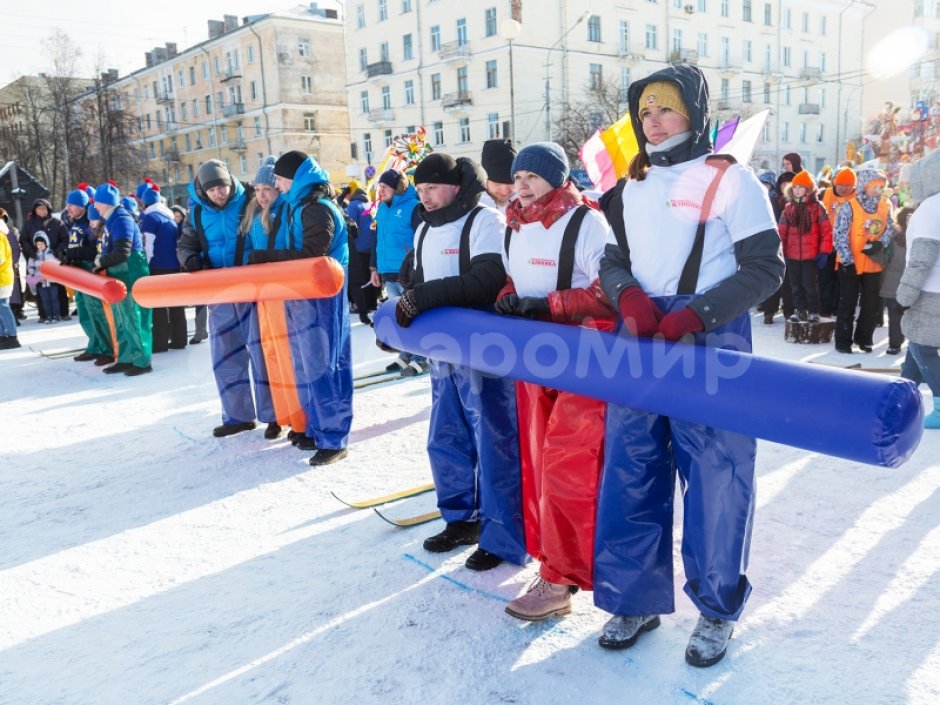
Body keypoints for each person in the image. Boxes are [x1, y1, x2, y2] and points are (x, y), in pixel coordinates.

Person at [594, 64, 784, 667]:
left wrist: (695, 315)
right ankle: (633, 597)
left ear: (694, 114)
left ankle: (717, 607)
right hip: (639, 335)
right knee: (631, 468)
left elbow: (766, 268)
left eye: (665, 109)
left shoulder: (730, 179)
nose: (653, 122)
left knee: (716, 476)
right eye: (644, 112)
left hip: (708, 337)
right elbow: (611, 259)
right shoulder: (631, 186)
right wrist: (626, 294)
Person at [495, 142, 616, 620]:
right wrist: (509, 298)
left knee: (570, 466)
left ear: (556, 178)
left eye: (531, 176)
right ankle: (551, 561)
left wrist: (549, 305)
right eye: (517, 177)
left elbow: (609, 291)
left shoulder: (586, 222)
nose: (521, 185)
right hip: (534, 357)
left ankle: (562, 578)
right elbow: (516, 278)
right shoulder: (514, 224)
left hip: (584, 356)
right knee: (538, 463)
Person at [395, 152, 526, 572]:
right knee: (446, 436)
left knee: (493, 440)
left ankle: (502, 533)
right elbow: (416, 283)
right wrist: (398, 327)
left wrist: (424, 296)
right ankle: (460, 518)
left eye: (432, 187)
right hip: (441, 354)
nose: (425, 196)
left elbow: (486, 280)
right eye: (420, 189)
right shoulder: (423, 228)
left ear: (455, 186)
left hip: (482, 349)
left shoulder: (484, 221)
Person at [178, 159, 277, 437]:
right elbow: (185, 244)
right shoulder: (197, 213)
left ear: (230, 182)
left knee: (263, 353)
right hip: (219, 291)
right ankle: (237, 415)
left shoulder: (249, 201)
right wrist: (190, 260)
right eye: (212, 190)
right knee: (226, 355)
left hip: (252, 289)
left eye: (222, 187)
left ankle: (274, 415)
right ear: (203, 191)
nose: (219, 193)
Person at [266, 150, 352, 465]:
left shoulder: (317, 208)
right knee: (305, 364)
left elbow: (313, 254)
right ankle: (317, 428)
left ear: (295, 177)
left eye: (280, 178)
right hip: (301, 294)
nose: (277, 184)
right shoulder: (299, 205)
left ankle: (334, 438)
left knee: (325, 365)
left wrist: (267, 260)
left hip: (323, 296)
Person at [91, 182, 153, 376]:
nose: (95, 206)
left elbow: (123, 252)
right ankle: (126, 358)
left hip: (131, 274)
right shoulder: (112, 219)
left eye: (97, 202)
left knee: (134, 317)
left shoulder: (121, 219)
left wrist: (101, 261)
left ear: (106, 202)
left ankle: (142, 361)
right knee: (121, 318)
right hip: (120, 275)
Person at [370, 168, 426, 376]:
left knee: (413, 316)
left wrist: (417, 266)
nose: (381, 190)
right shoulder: (382, 209)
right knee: (399, 317)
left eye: (385, 187)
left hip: (407, 272)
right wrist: (374, 267)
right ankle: (405, 354)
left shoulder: (413, 206)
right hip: (388, 271)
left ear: (397, 187)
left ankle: (421, 357)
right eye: (380, 187)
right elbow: (377, 240)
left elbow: (422, 238)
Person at [832, 168, 896, 354]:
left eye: (881, 187)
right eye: (874, 186)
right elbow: (839, 235)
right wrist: (847, 260)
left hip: (873, 263)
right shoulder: (849, 206)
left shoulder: (884, 206)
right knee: (848, 302)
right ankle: (843, 341)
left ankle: (864, 338)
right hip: (850, 263)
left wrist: (880, 243)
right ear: (863, 186)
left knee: (871, 304)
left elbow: (890, 228)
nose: (878, 190)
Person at [897, 156, 940, 429]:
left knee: (922, 347)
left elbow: (921, 259)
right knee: (915, 344)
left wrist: (905, 294)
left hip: (930, 290)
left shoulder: (931, 208)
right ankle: (901, 396)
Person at [778, 170, 832, 322]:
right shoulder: (789, 208)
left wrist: (824, 251)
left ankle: (813, 311)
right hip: (792, 254)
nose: (797, 190)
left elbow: (826, 230)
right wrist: (782, 252)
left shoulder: (817, 207)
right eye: (795, 187)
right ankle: (800, 310)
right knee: (795, 285)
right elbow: (781, 231)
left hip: (811, 255)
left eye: (801, 187)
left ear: (808, 189)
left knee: (810, 285)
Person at [140, 184, 187, 352]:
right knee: (176, 305)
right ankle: (180, 339)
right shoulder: (169, 217)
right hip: (174, 265)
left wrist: (145, 264)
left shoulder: (150, 218)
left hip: (157, 266)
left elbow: (148, 245)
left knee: (158, 306)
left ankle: (160, 342)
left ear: (145, 203)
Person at [20, 198, 69, 321]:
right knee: (41, 288)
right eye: (39, 208)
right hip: (37, 261)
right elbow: (24, 240)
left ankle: (63, 312)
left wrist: (58, 252)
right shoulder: (29, 224)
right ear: (35, 210)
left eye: (44, 208)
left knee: (58, 286)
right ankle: (44, 314)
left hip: (54, 260)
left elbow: (65, 239)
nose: (42, 211)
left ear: (48, 209)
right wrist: (32, 253)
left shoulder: (57, 223)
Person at [819, 167, 857, 318]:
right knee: (825, 277)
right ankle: (825, 307)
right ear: (835, 183)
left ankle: (837, 307)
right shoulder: (826, 193)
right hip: (827, 242)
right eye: (841, 185)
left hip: (847, 245)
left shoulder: (857, 197)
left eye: (848, 185)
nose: (844, 189)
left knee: (841, 279)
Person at [344, 178, 379, 325]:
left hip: (358, 247)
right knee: (371, 276)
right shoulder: (369, 204)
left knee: (361, 279)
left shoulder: (353, 206)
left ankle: (363, 306)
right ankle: (372, 303)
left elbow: (350, 225)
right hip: (371, 245)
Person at [172, 204, 207, 344]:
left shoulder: (190, 223)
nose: (177, 218)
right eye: (175, 216)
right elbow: (184, 247)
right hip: (190, 264)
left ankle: (201, 330)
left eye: (179, 216)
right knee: (199, 299)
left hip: (199, 265)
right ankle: (200, 329)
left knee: (201, 300)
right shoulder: (179, 226)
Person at [881, 206, 911, 355]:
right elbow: (884, 258)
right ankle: (895, 343)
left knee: (914, 316)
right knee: (894, 314)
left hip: (915, 282)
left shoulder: (923, 237)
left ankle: (916, 346)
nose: (910, 221)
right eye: (908, 217)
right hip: (893, 282)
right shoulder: (894, 237)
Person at [25, 232, 62, 322]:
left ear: (46, 243)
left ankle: (56, 315)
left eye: (42, 243)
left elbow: (58, 265)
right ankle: (48, 316)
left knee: (54, 298)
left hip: (52, 281)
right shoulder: (34, 256)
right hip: (41, 282)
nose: (40, 246)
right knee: (45, 300)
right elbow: (30, 267)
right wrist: (34, 275)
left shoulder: (52, 254)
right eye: (38, 244)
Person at [0, 215, 21, 349]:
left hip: (2, 278)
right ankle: (2, 336)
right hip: (3, 277)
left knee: (3, 306)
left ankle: (12, 336)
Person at [0, 208, 25, 323]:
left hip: (7, 268)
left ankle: (14, 315)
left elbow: (15, 249)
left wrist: (11, 262)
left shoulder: (8, 232)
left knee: (11, 294)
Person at [480, 138, 517, 214]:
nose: (504, 191)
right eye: (497, 184)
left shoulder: (526, 203)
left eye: (510, 183)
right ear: (485, 180)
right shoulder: (472, 208)